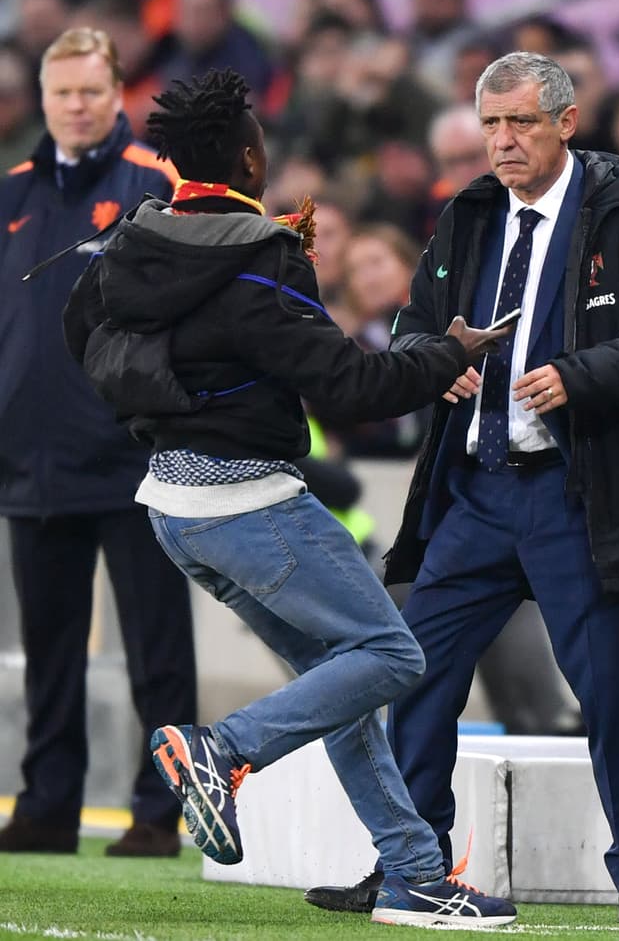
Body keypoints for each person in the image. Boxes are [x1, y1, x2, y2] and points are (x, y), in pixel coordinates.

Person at [61, 68, 518, 929]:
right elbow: (348, 385)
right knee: (393, 656)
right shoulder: (259, 255)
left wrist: (176, 397)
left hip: (169, 502)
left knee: (338, 676)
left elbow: (78, 333)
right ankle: (219, 750)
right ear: (245, 155)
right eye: (261, 143)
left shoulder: (134, 239)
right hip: (249, 501)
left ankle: (413, 872)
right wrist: (446, 351)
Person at [306, 51, 619, 925]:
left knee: (612, 689)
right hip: (476, 491)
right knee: (413, 672)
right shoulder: (470, 213)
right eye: (491, 125)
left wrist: (576, 375)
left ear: (566, 121)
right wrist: (431, 365)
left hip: (575, 492)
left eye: (520, 122)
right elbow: (411, 322)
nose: (503, 141)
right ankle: (413, 865)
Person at [0, 27, 194, 859]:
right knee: (49, 651)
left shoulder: (156, 181)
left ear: (117, 92)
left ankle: (162, 810)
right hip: (30, 457)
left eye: (89, 91)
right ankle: (47, 803)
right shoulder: (10, 190)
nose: (75, 106)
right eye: (61, 92)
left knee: (158, 650)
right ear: (43, 99)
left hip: (132, 456)